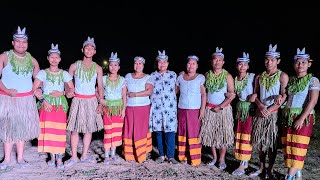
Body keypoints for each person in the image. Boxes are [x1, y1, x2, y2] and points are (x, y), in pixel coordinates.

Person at [0, 26, 40, 170]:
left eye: (24, 42)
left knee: (21, 130)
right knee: (8, 129)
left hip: (26, 100)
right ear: (12, 42)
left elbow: (38, 79)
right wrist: (6, 90)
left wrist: (38, 90)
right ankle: (7, 159)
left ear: (27, 43)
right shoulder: (4, 56)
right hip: (8, 98)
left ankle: (21, 158)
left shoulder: (33, 60)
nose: (21, 44)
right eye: (18, 41)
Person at [32, 44, 74, 170]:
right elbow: (35, 89)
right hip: (47, 105)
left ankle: (60, 158)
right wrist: (44, 101)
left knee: (59, 131)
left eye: (57, 57)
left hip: (59, 105)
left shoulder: (64, 73)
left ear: (60, 59)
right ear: (48, 58)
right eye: (51, 57)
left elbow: (72, 90)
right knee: (48, 131)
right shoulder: (42, 73)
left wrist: (61, 93)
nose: (54, 59)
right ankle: (51, 157)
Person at [250, 44, 289, 178]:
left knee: (271, 143)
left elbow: (284, 96)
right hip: (260, 112)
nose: (269, 62)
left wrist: (271, 109)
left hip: (273, 114)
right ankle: (261, 168)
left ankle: (270, 169)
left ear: (278, 61)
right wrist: (260, 106)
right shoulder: (259, 76)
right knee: (260, 142)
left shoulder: (282, 76)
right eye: (267, 59)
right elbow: (255, 95)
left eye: (272, 59)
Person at [64, 37, 104, 166]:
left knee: (89, 130)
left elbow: (100, 86)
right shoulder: (74, 65)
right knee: (74, 130)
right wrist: (68, 90)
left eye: (92, 48)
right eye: (87, 47)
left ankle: (84, 155)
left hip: (91, 100)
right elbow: (67, 82)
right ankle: (74, 156)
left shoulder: (98, 68)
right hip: (78, 100)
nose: (89, 50)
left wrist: (100, 102)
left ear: (95, 51)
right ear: (82, 50)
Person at [281, 48, 319, 180]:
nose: (300, 65)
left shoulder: (313, 80)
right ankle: (297, 173)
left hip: (303, 117)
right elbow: (287, 97)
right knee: (289, 145)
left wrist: (301, 118)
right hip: (288, 117)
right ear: (293, 64)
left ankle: (289, 176)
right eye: (297, 62)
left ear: (309, 64)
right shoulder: (291, 80)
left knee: (298, 146)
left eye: (303, 62)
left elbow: (313, 101)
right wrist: (281, 99)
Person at [199, 47, 235, 170]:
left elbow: (231, 94)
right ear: (211, 62)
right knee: (211, 135)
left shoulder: (228, 76)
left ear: (223, 62)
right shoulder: (206, 75)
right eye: (215, 60)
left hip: (223, 110)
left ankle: (222, 159)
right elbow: (204, 93)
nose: (217, 62)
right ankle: (214, 157)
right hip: (209, 109)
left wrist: (220, 106)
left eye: (220, 60)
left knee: (223, 135)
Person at [176, 55, 206, 166]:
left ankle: (195, 158)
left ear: (197, 66)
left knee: (194, 133)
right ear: (186, 65)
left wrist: (202, 109)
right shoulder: (180, 77)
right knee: (183, 132)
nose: (191, 66)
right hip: (182, 109)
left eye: (193, 64)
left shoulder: (200, 78)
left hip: (195, 110)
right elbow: (175, 92)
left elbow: (203, 94)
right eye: (189, 63)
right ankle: (182, 156)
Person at [149, 50, 178, 164]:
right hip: (157, 108)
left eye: (164, 62)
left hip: (169, 109)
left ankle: (170, 156)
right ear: (157, 64)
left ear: (168, 63)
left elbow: (177, 89)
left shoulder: (173, 75)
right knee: (159, 132)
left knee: (170, 132)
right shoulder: (152, 76)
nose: (162, 64)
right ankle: (161, 155)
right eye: (160, 62)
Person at [123, 56, 153, 163]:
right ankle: (130, 155)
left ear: (143, 65)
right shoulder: (128, 76)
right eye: (136, 63)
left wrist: (135, 94)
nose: (138, 65)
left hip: (143, 107)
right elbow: (124, 91)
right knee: (129, 129)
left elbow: (149, 91)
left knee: (140, 130)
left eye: (140, 64)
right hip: (130, 107)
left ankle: (141, 154)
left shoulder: (148, 77)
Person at [98, 52, 127, 165]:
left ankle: (113, 154)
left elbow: (124, 96)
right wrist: (100, 100)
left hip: (118, 109)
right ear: (108, 66)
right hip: (108, 109)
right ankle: (106, 156)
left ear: (119, 67)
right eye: (111, 65)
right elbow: (97, 91)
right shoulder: (104, 79)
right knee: (108, 131)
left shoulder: (122, 80)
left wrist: (124, 109)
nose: (113, 67)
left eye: (115, 65)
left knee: (116, 131)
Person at [231, 52, 256, 176]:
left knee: (246, 135)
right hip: (240, 109)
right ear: (237, 66)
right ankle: (243, 161)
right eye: (240, 64)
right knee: (240, 134)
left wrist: (255, 96)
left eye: (245, 64)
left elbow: (257, 91)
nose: (242, 67)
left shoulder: (252, 77)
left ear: (248, 66)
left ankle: (243, 162)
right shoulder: (235, 79)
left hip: (249, 110)